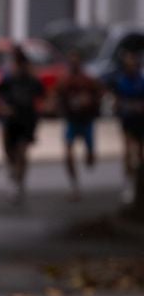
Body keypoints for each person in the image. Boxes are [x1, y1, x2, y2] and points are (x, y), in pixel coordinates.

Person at [0, 46, 45, 205]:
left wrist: (40, 115)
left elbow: (42, 96)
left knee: (22, 152)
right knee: (9, 152)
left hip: (26, 120)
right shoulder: (8, 80)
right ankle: (13, 174)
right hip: (10, 121)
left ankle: (19, 181)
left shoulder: (31, 80)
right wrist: (3, 108)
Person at [56, 49, 104, 200]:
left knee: (89, 158)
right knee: (68, 153)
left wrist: (90, 102)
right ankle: (74, 185)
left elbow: (100, 93)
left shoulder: (88, 80)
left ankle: (90, 156)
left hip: (86, 120)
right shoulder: (65, 81)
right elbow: (58, 96)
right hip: (72, 121)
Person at [115, 46, 144, 202]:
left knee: (139, 152)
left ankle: (139, 181)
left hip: (140, 121)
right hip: (127, 119)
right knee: (127, 150)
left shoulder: (141, 81)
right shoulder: (121, 81)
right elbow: (117, 103)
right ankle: (128, 182)